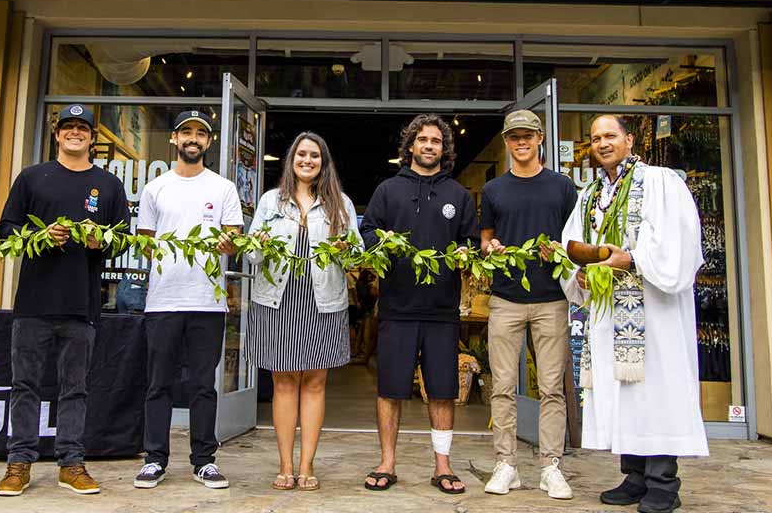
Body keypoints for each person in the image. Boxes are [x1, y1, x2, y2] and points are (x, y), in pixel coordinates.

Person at [561, 114, 708, 513]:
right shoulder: (590, 194)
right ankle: (635, 475)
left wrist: (632, 259)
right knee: (624, 393)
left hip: (653, 312)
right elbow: (574, 244)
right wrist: (580, 274)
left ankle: (664, 484)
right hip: (612, 315)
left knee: (655, 392)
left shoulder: (661, 183)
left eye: (610, 135)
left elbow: (680, 245)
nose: (603, 143)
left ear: (629, 139)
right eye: (595, 138)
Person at [0, 104, 130, 497]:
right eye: (67, 127)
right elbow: (6, 229)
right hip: (33, 302)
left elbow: (121, 241)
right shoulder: (32, 177)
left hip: (81, 304)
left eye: (82, 128)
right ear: (56, 134)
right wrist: (38, 237)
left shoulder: (108, 185)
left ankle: (71, 462)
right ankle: (18, 463)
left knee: (75, 387)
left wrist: (99, 240)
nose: (74, 133)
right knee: (24, 385)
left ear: (91, 137)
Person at [360, 114, 477, 495]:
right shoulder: (388, 190)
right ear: (410, 146)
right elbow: (367, 232)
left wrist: (466, 251)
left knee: (443, 389)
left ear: (444, 149)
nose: (429, 146)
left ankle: (442, 465)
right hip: (397, 307)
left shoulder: (457, 195)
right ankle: (387, 462)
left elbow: (471, 240)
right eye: (422, 140)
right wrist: (382, 237)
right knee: (390, 388)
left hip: (443, 309)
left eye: (436, 141)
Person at [133, 110, 243, 490]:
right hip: (163, 300)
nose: (193, 139)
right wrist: (173, 256)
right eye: (186, 133)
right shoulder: (155, 188)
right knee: (158, 383)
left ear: (208, 142)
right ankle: (154, 459)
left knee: (202, 385)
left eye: (200, 134)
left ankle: (204, 461)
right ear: (175, 140)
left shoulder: (223, 188)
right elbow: (146, 242)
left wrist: (227, 245)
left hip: (206, 302)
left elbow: (233, 236)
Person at [245, 132, 359, 491]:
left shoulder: (340, 204)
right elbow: (251, 255)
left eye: (315, 156)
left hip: (322, 301)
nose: (307, 160)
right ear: (291, 159)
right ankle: (285, 465)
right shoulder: (270, 201)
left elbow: (356, 257)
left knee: (314, 381)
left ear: (324, 163)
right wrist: (259, 244)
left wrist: (345, 247)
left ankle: (307, 465)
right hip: (278, 299)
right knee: (283, 380)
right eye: (301, 154)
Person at [478, 110, 578, 499]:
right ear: (506, 142)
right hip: (505, 299)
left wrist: (564, 253)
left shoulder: (562, 187)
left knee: (552, 387)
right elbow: (486, 239)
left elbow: (576, 240)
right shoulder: (494, 190)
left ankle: (551, 466)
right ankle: (507, 465)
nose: (521, 142)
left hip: (553, 299)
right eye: (514, 137)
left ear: (540, 139)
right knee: (502, 385)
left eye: (528, 136)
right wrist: (492, 247)